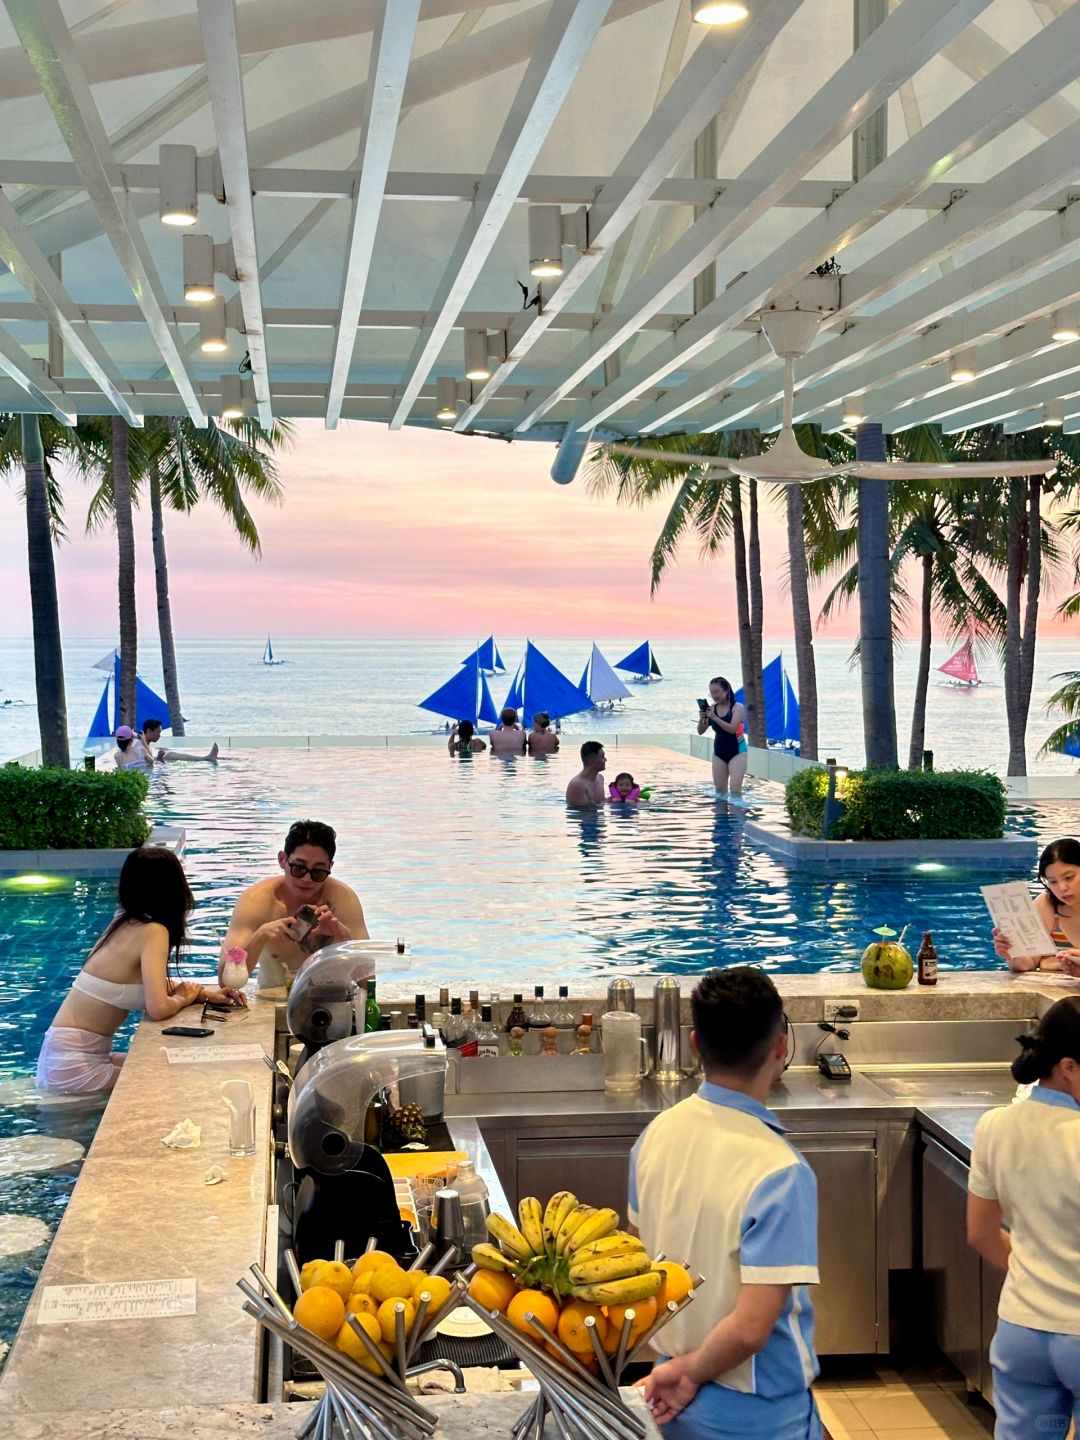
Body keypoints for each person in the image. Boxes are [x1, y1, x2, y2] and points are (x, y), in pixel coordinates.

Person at [631, 967, 820, 1440]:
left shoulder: (656, 1135)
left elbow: (640, 1269)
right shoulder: (780, 1171)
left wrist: (680, 1369)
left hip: (670, 1397)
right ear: (780, 1049)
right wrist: (693, 1373)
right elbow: (752, 1328)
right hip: (756, 1413)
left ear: (696, 1044)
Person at [36, 848, 246, 1095]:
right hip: (74, 1064)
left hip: (65, 1054)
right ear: (174, 888)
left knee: (165, 1065)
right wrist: (183, 998)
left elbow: (147, 985)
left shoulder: (124, 922)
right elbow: (158, 1008)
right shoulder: (153, 931)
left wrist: (205, 995)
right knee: (169, 1081)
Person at [967, 997, 1080, 1440]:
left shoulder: (996, 1125)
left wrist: (1041, 1270)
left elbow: (980, 1233)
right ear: (1068, 1067)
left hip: (1022, 1333)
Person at [218, 819, 368, 990]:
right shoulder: (257, 901)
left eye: (318, 872)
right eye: (298, 868)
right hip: (271, 1003)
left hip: (328, 1002)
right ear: (283, 860)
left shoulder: (342, 900)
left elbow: (368, 983)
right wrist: (260, 936)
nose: (307, 879)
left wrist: (343, 937)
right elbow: (225, 982)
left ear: (330, 868)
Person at [993, 838, 1080, 974]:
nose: (1062, 888)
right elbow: (1028, 964)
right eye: (1052, 882)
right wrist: (1012, 952)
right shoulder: (1047, 904)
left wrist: (1052, 962)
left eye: (1069, 877)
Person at [697, 676, 747, 796]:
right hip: (719, 753)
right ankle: (721, 815)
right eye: (711, 693)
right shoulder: (712, 709)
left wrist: (714, 717)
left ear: (726, 691)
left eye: (717, 692)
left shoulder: (737, 707)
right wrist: (702, 718)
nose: (714, 695)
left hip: (737, 752)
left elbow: (732, 729)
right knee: (720, 792)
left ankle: (737, 814)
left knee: (735, 791)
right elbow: (700, 731)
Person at [140, 718, 219, 764]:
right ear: (149, 731)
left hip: (155, 764)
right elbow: (145, 762)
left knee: (167, 753)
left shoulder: (146, 743)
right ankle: (206, 758)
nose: (159, 735)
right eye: (158, 732)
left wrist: (159, 758)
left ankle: (206, 758)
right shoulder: (140, 743)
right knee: (170, 755)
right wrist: (158, 759)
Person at [566, 741, 606, 808]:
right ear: (592, 762)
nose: (605, 760)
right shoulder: (577, 785)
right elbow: (580, 814)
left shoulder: (600, 778)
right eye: (602, 757)